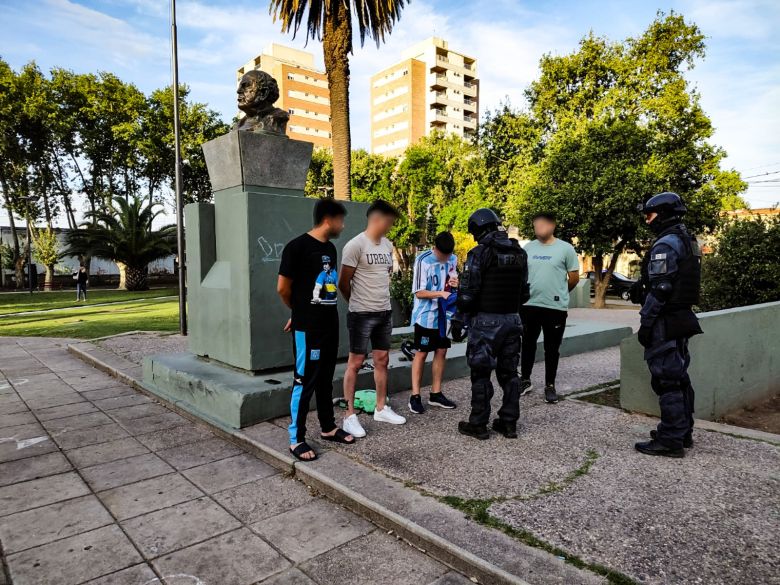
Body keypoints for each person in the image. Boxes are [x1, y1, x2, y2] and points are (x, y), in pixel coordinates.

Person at [277, 199, 355, 461]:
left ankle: (327, 427)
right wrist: (298, 314)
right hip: (308, 328)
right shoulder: (296, 247)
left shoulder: (331, 249)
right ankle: (295, 438)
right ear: (328, 219)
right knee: (304, 380)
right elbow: (283, 288)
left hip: (329, 326)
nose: (342, 226)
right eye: (341, 221)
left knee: (324, 379)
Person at [631, 192, 702, 458]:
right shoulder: (688, 241)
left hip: (665, 319)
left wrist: (646, 322)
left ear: (662, 214)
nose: (647, 221)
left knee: (667, 379)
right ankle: (682, 431)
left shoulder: (666, 244)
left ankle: (671, 438)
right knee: (680, 377)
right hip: (681, 316)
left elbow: (661, 288)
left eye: (650, 215)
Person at [453, 209, 529, 440]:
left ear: (478, 229)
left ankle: (478, 424)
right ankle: (508, 423)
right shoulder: (519, 253)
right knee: (509, 374)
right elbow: (524, 293)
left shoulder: (480, 253)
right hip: (513, 320)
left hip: (486, 322)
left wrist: (459, 319)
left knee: (481, 372)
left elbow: (468, 295)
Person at [339, 200, 406, 438]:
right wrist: (357, 304)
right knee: (355, 363)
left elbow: (384, 276)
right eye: (388, 222)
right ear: (376, 219)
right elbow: (343, 283)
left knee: (382, 359)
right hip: (361, 313)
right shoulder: (355, 245)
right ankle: (348, 416)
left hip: (383, 312)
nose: (390, 227)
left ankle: (380, 408)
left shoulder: (387, 245)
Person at [519, 212, 580, 404]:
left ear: (552, 226)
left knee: (551, 348)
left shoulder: (565, 249)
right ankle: (525, 379)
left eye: (543, 225)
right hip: (529, 305)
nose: (539, 228)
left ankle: (550, 385)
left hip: (555, 307)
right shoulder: (528, 247)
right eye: (535, 225)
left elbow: (574, 278)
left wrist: (560, 292)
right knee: (527, 344)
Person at [407, 231, 459, 414]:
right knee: (421, 353)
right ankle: (415, 396)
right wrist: (439, 293)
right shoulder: (424, 261)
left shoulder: (453, 258)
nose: (446, 258)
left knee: (441, 350)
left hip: (444, 315)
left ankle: (436, 393)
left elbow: (453, 280)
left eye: (448, 255)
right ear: (435, 248)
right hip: (425, 315)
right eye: (443, 255)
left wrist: (455, 283)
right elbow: (418, 292)